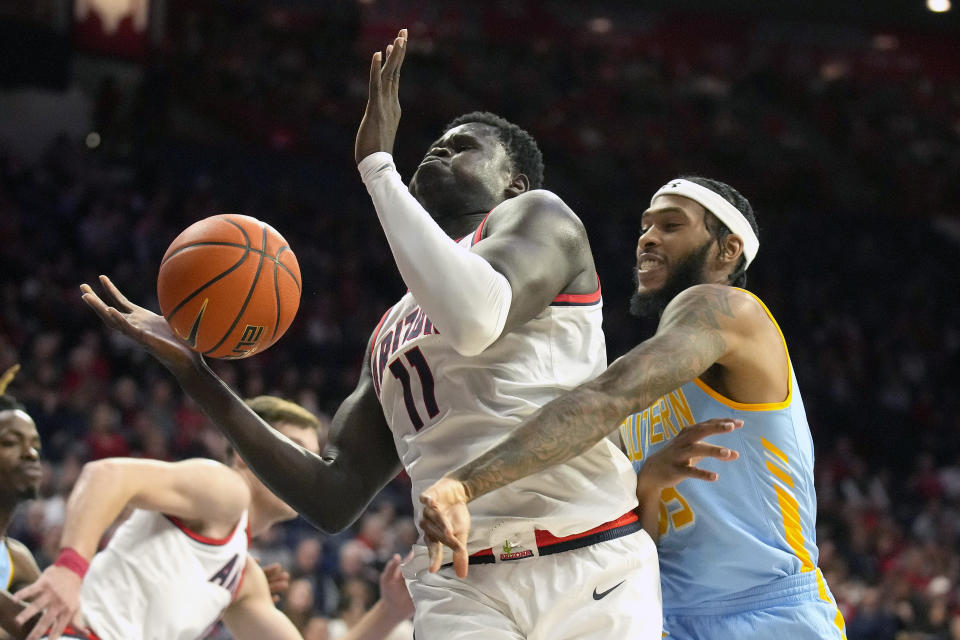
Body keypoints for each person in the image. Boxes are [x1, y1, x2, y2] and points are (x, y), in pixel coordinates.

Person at [80, 29, 664, 639]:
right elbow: (334, 496)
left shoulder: (539, 216)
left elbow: (475, 317)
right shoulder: (389, 329)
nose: (437, 150)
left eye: (462, 146)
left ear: (514, 182)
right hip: (461, 583)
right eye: (434, 143)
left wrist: (376, 166)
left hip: (587, 553)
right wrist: (195, 376)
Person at [419, 177, 848, 639]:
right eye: (645, 226)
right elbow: (639, 525)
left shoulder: (733, 312)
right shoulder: (642, 375)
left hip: (768, 611)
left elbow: (607, 397)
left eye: (670, 225)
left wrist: (463, 484)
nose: (647, 237)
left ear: (728, 251)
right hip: (663, 614)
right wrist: (652, 484)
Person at [6, 395, 413, 640]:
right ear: (246, 452)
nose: (304, 465)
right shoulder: (226, 489)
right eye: (292, 448)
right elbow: (107, 474)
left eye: (312, 456)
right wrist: (69, 568)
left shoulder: (244, 577)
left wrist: (390, 611)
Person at [0, 365, 42, 594]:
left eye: (36, 444)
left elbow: (60, 628)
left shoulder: (17, 560)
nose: (31, 453)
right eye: (10, 442)